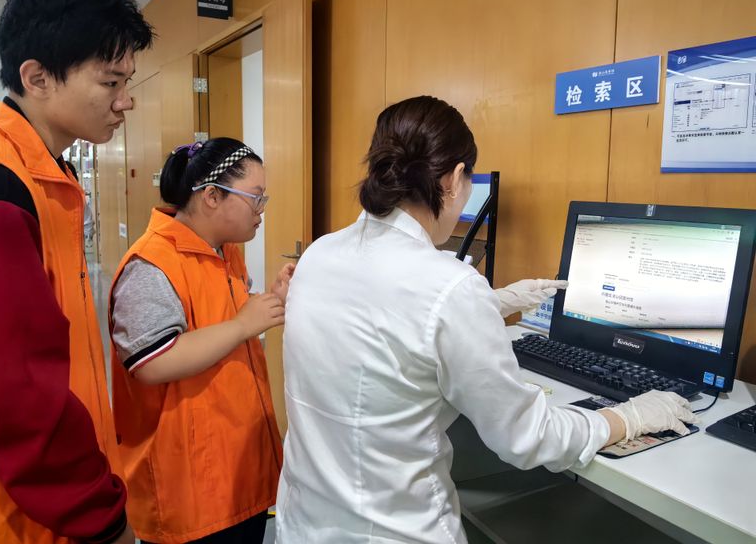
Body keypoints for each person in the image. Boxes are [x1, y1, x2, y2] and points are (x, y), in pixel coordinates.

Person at [275, 96, 699, 543]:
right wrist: (627, 419)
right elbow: (526, 436)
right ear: (455, 178)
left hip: (306, 522)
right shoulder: (447, 285)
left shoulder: (321, 253)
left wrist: (493, 302)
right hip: (394, 530)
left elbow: (379, 321)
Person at [0, 0, 152, 544]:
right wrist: (100, 518)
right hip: (12, 515)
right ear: (37, 77)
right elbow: (16, 392)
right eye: (110, 82)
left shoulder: (42, 174)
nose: (126, 102)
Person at [109, 138, 291, 543]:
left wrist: (272, 300)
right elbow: (152, 362)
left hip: (237, 473)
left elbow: (219, 321)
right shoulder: (151, 264)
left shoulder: (224, 252)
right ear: (211, 196)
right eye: (256, 198)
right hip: (189, 491)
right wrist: (243, 325)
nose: (261, 210)